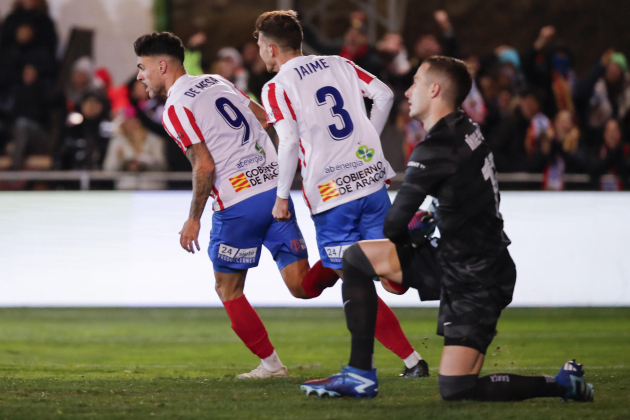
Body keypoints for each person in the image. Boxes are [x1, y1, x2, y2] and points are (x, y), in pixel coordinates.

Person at [301, 56, 594, 403]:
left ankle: (562, 383)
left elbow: (394, 224)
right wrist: (427, 222)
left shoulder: (437, 148)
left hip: (477, 276)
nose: (408, 92)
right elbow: (462, 194)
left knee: (457, 388)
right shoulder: (465, 127)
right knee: (357, 258)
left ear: (435, 89)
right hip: (457, 258)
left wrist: (410, 234)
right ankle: (359, 374)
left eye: (415, 83)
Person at [133, 31, 341, 379]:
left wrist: (193, 219)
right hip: (275, 192)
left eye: (142, 67)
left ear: (162, 65)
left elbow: (205, 164)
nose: (140, 75)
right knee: (301, 285)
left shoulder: (175, 108)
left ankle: (272, 366)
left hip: (237, 202)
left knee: (227, 288)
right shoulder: (217, 81)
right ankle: (347, 258)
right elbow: (265, 118)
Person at [254, 10, 428, 378]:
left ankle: (368, 365)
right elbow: (383, 94)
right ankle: (413, 360)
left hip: (333, 194)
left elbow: (286, 141)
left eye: (259, 46)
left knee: (349, 274)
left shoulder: (276, 87)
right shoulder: (338, 63)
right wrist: (367, 138)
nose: (259, 53)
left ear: (271, 48)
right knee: (388, 277)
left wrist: (282, 196)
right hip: (370, 179)